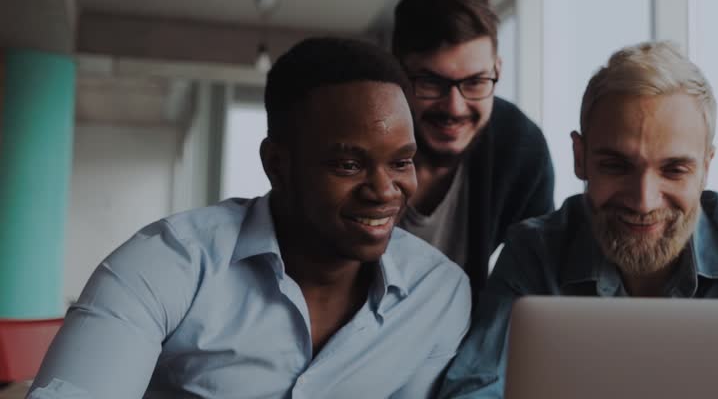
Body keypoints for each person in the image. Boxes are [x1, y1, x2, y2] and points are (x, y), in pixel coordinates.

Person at [28, 38, 471, 399]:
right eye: (348, 166)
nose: (384, 191)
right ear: (277, 165)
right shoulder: (164, 265)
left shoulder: (437, 293)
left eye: (401, 162)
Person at [438, 41, 718, 398]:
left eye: (674, 170)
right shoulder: (535, 250)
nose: (643, 201)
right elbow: (473, 389)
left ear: (706, 168)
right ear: (580, 158)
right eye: (616, 165)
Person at [392, 0, 555, 295]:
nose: (454, 107)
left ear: (498, 70)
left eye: (476, 82)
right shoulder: (359, 142)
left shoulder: (521, 148)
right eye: (430, 82)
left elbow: (538, 279)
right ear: (396, 73)